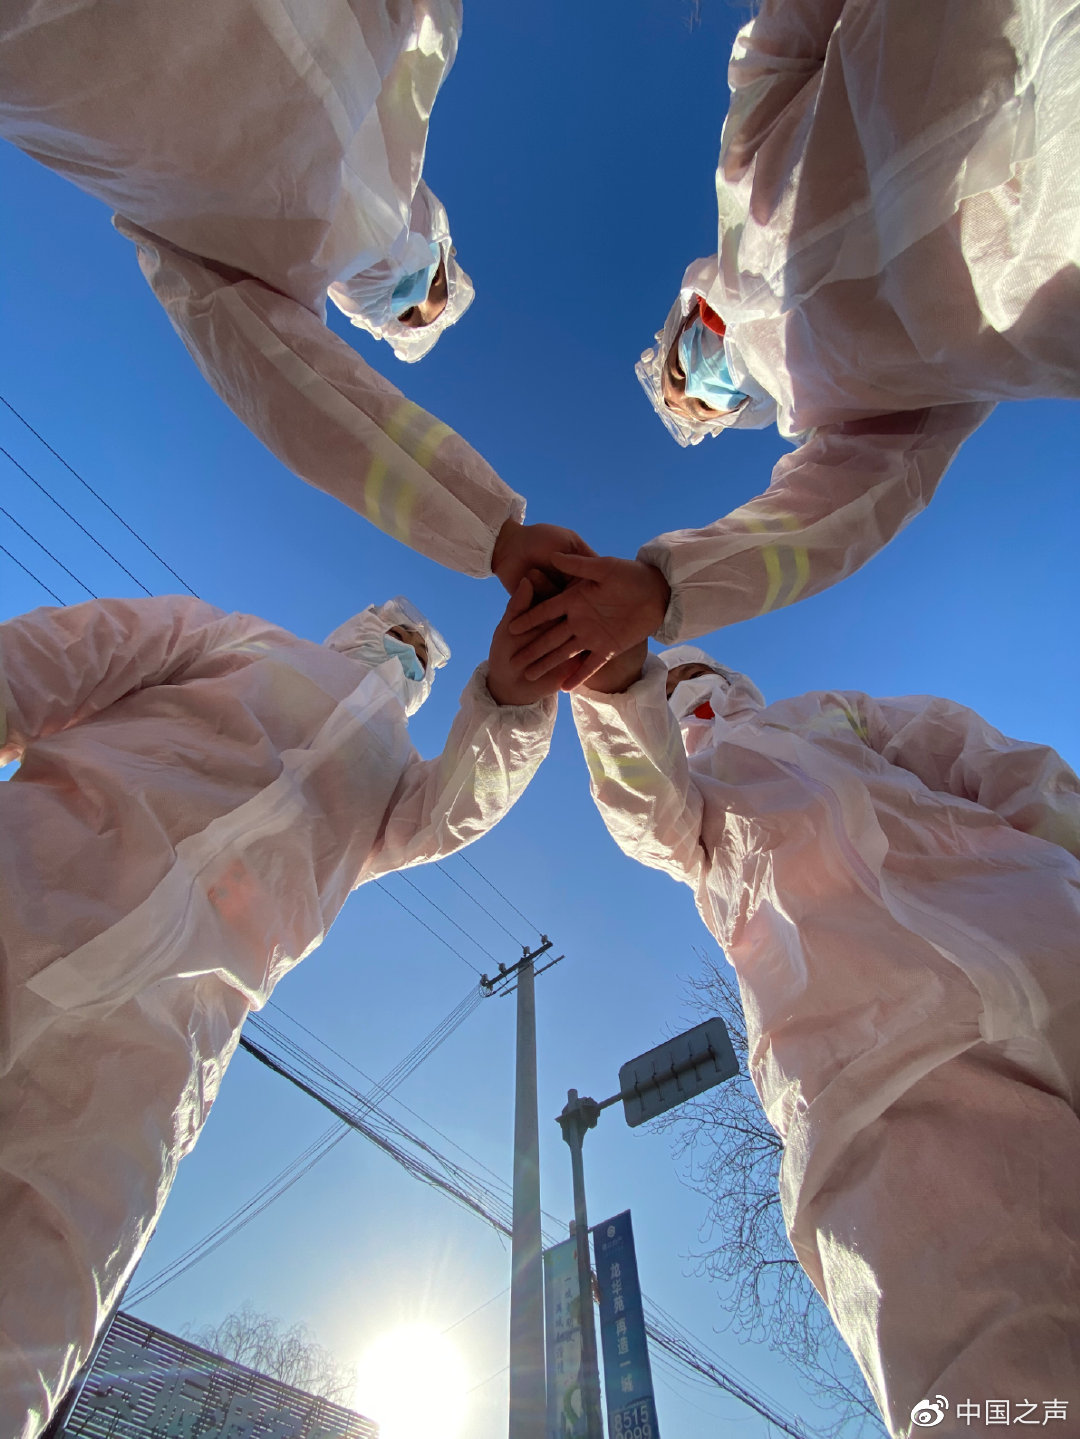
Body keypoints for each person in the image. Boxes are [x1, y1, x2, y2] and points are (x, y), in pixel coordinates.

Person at [0, 584, 567, 1438]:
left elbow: (462, 802)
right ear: (360, 624)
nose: (406, 653)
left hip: (151, 1058)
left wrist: (513, 700)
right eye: (399, 633)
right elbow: (60, 656)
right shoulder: (232, 636)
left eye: (421, 654)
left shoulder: (393, 788)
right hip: (29, 875)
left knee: (27, 1320)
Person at [569, 640, 1080, 1435]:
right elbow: (637, 799)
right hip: (876, 1075)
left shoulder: (831, 713)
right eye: (661, 681)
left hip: (1042, 933)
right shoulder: (690, 801)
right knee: (994, 1386)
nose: (681, 684)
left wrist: (1066, 855)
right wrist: (606, 679)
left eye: (688, 672)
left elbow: (983, 757)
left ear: (726, 677)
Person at [510, 0, 1080, 682]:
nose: (697, 378)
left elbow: (789, 30)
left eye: (680, 363)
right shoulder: (843, 415)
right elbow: (830, 521)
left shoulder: (742, 165)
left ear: (687, 312)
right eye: (701, 401)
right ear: (736, 414)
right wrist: (668, 587)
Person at [0, 0, 590, 587]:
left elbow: (317, 405)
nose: (406, 286)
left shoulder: (242, 264)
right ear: (439, 238)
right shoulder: (408, 53)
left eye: (406, 312)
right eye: (432, 279)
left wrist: (490, 533)